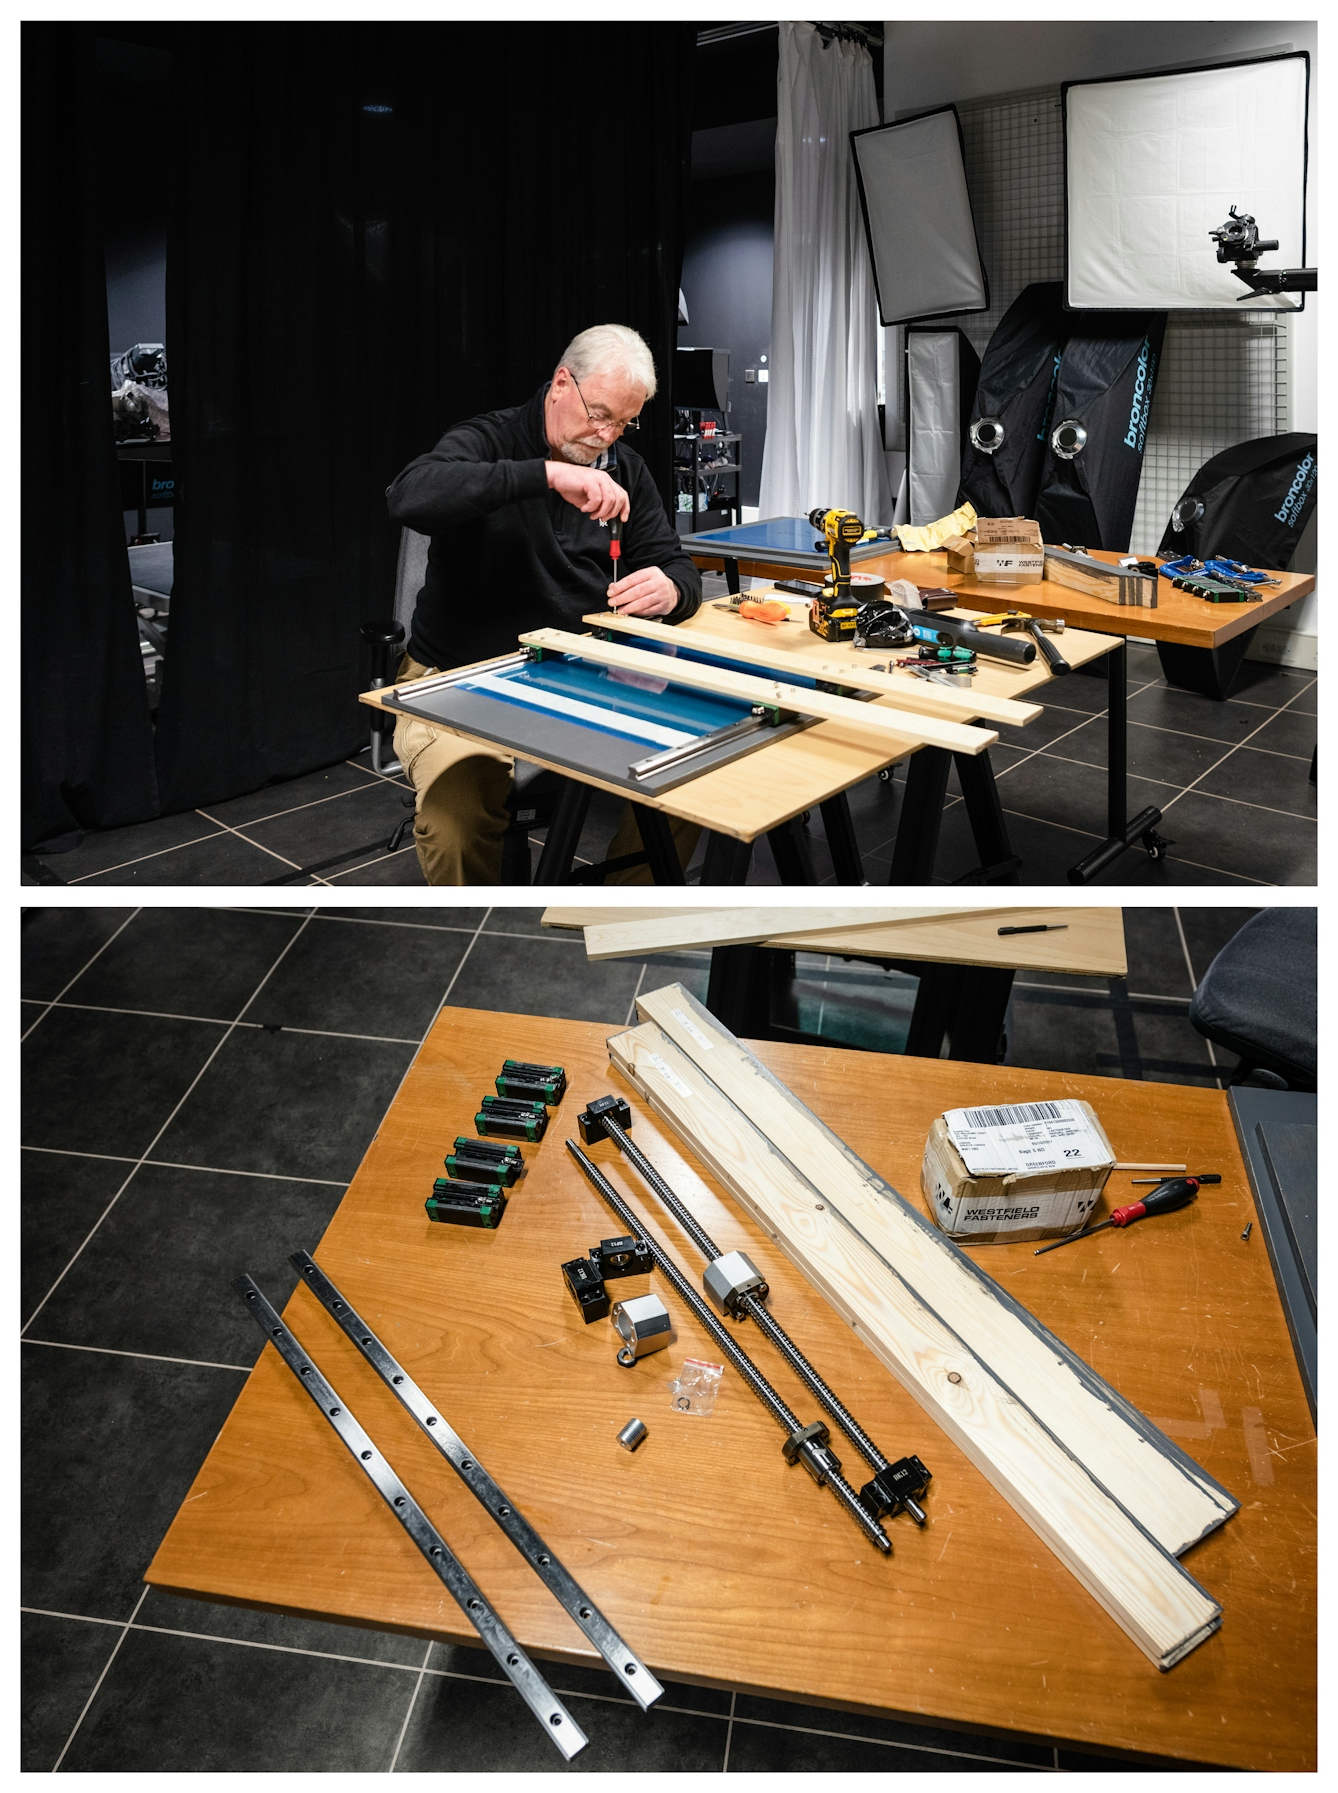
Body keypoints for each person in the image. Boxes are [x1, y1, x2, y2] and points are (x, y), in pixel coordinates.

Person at [385, 324, 703, 884]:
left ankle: (619, 916)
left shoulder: (625, 469)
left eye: (624, 422)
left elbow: (676, 565)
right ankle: (482, 943)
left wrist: (671, 589)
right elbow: (410, 494)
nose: (606, 435)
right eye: (599, 414)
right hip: (461, 676)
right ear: (562, 383)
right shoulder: (491, 440)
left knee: (696, 774)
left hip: (584, 677)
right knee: (456, 817)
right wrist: (548, 475)